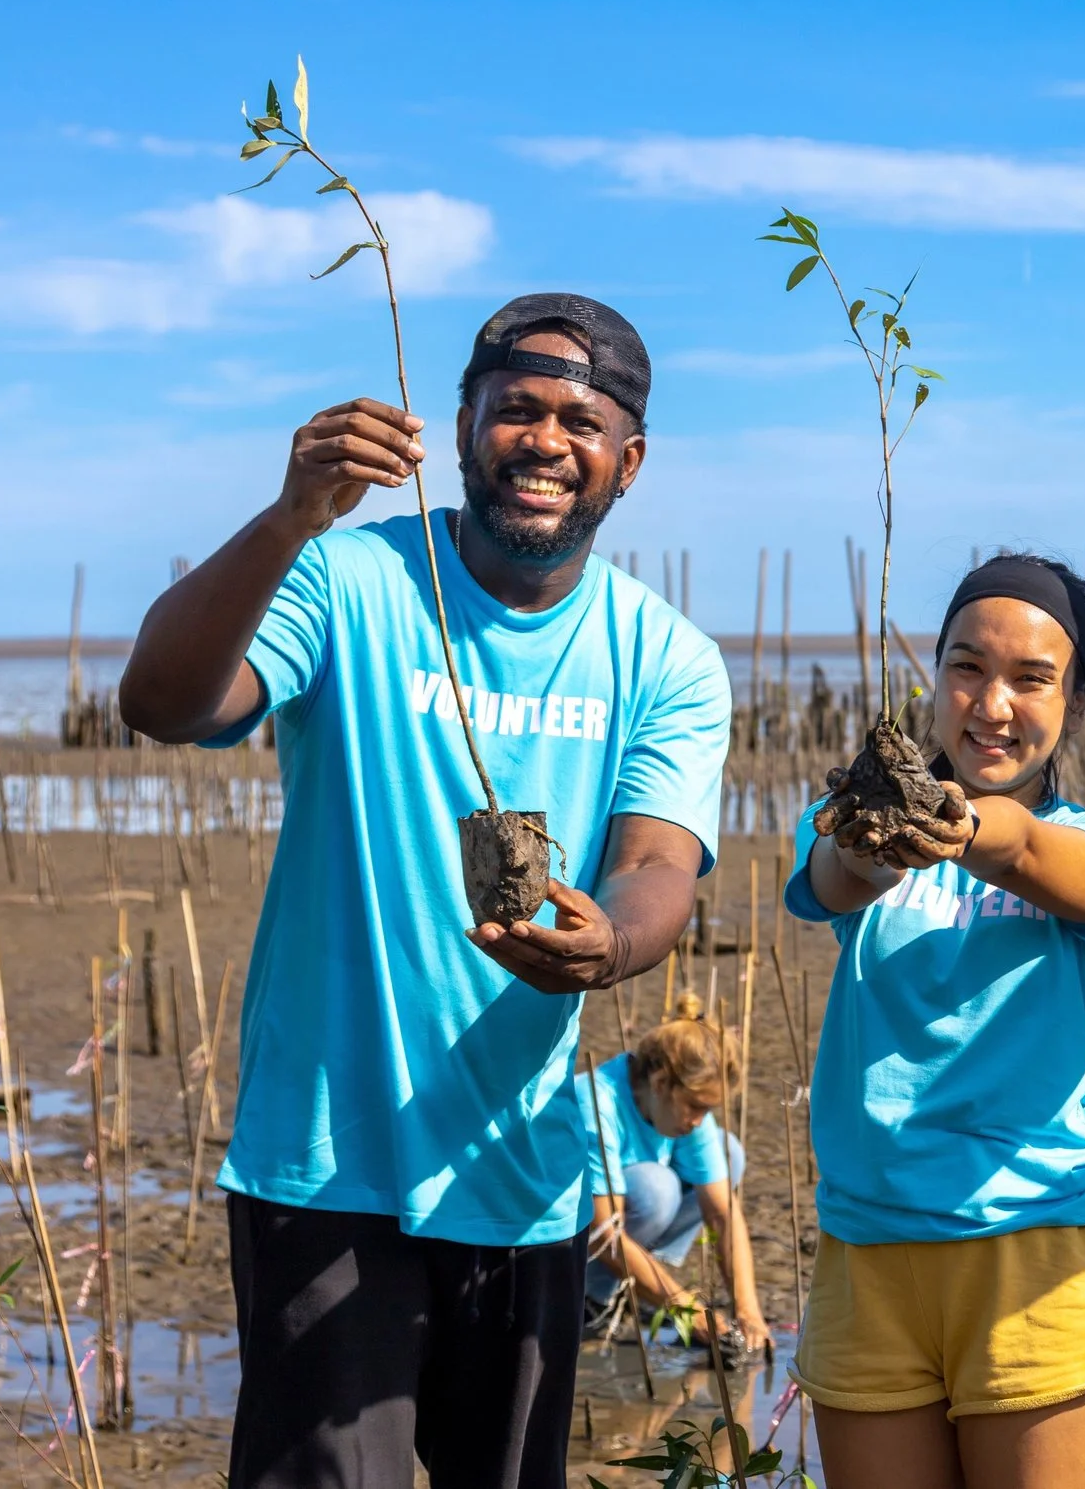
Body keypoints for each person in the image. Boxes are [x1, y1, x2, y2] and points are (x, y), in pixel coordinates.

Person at [118, 293, 732, 1489]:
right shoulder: (345, 576)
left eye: (578, 419)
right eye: (515, 409)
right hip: (326, 1161)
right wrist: (293, 514)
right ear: (459, 424)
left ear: (629, 460)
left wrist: (608, 945)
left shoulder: (666, 655)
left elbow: (659, 866)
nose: (545, 440)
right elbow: (163, 701)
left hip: (525, 1171)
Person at [785, 554, 1085, 1489]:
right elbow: (840, 876)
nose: (993, 703)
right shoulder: (851, 824)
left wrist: (960, 826)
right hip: (864, 1255)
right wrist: (882, 836)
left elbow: (1042, 856)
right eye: (967, 667)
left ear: (1074, 702)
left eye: (1032, 678)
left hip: (1035, 1253)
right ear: (935, 678)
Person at [576, 994, 767, 1356]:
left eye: (707, 1109)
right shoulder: (596, 1104)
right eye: (695, 1107)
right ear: (661, 1083)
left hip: (632, 1234)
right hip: (576, 1251)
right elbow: (603, 1234)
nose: (699, 1121)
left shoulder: (682, 1109)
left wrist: (748, 1313)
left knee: (731, 1153)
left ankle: (647, 1291)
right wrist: (686, 1308)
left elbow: (724, 1215)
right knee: (656, 1189)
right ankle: (595, 1301)